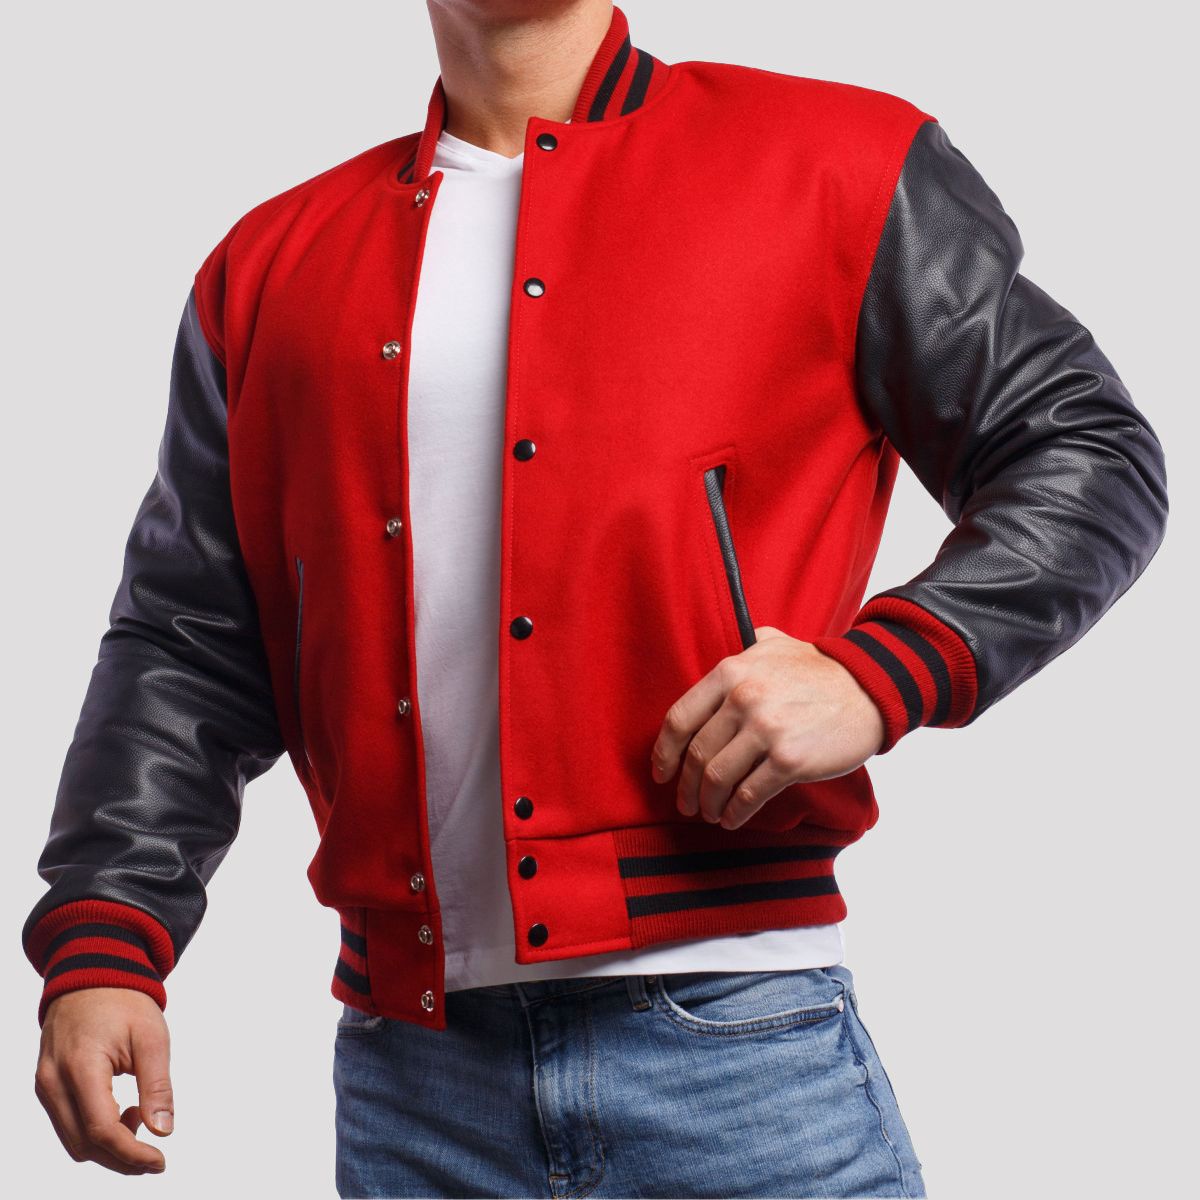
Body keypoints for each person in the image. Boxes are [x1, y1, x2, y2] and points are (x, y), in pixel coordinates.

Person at [23, 2, 1168, 1196]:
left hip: (739, 1047)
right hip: (412, 1079)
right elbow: (189, 639)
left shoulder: (838, 163)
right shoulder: (272, 262)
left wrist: (877, 673)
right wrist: (105, 937)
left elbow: (1086, 452)